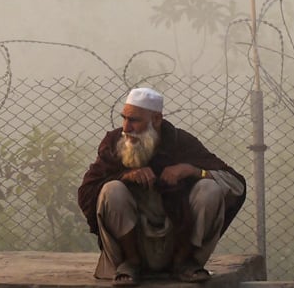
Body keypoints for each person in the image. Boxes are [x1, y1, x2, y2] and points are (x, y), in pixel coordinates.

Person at [77, 87, 246, 286]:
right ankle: (130, 262)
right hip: (132, 240)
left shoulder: (180, 142)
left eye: (134, 120)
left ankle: (185, 262)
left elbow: (235, 184)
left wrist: (191, 170)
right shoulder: (114, 142)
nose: (126, 127)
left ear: (156, 119)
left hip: (178, 238)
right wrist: (125, 176)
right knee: (111, 189)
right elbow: (88, 190)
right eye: (124, 118)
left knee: (210, 189)